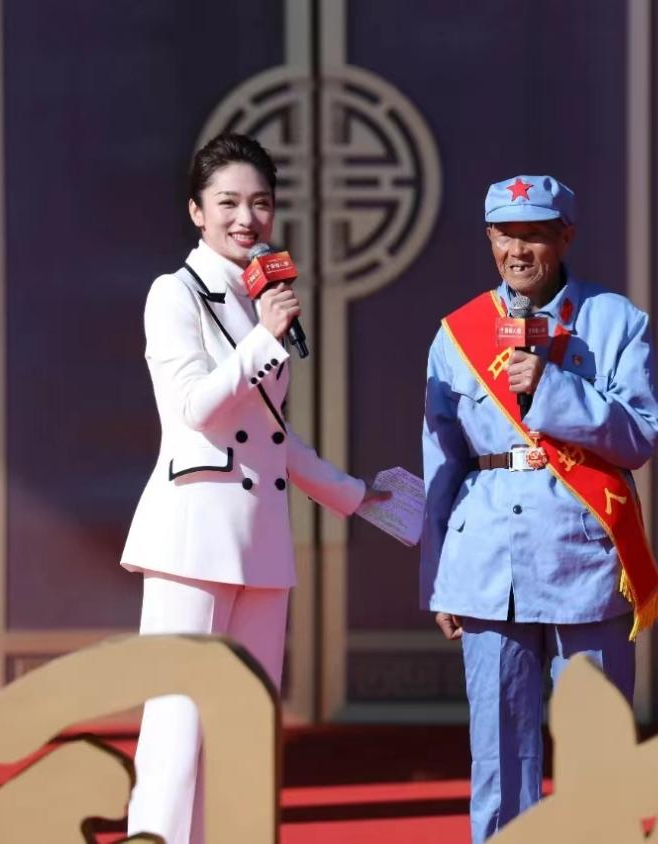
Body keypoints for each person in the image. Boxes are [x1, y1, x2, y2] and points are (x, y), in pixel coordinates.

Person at [119, 133, 385, 844]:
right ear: (196, 211)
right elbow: (196, 409)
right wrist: (264, 338)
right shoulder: (173, 294)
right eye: (229, 202)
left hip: (261, 538)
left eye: (261, 202)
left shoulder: (259, 296)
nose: (247, 218)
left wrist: (353, 494)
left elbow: (272, 434)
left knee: (242, 724)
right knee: (176, 726)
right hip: (192, 537)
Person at [420, 174, 658, 842]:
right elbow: (441, 461)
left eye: (534, 235)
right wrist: (437, 576)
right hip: (485, 562)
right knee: (498, 755)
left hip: (583, 559)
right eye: (505, 236)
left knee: (597, 748)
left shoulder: (616, 322)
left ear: (565, 237)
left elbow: (640, 437)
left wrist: (553, 386)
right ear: (489, 240)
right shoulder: (457, 335)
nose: (518, 251)